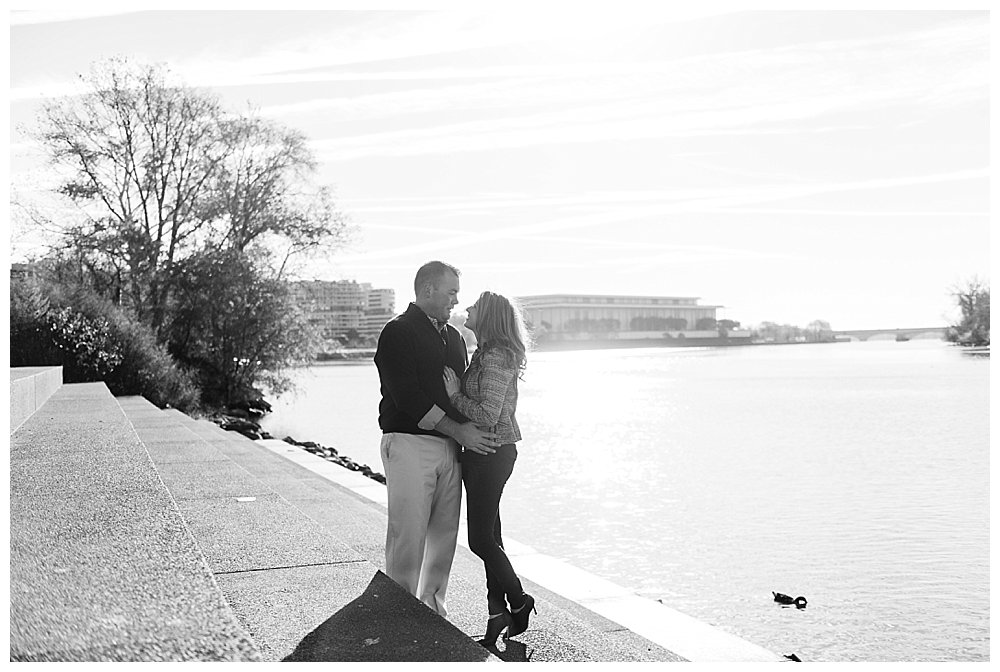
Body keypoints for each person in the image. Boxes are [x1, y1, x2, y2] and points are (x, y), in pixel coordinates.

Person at [374, 261, 500, 617]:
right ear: (427, 290)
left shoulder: (456, 338)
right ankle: (399, 612)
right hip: (409, 443)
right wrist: (459, 430)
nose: (455, 301)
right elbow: (407, 397)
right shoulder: (397, 332)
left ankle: (431, 611)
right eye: (451, 292)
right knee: (408, 533)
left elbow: (461, 395)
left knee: (444, 537)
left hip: (450, 449)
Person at [442, 290, 536, 646]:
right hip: (482, 453)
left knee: (480, 539)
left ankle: (519, 600)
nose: (467, 308)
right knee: (491, 537)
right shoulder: (484, 353)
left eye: (475, 306)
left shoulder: (495, 357)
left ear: (490, 315)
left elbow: (487, 414)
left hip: (491, 454)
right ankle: (496, 617)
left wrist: (453, 396)